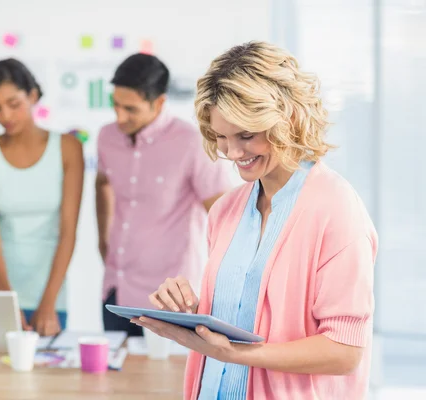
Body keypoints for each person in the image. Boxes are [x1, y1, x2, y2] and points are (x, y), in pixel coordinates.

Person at [134, 41, 378, 399]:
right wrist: (191, 312)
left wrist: (236, 354)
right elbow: (248, 319)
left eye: (246, 136)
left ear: (288, 118)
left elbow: (344, 352)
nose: (232, 153)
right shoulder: (226, 210)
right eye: (221, 137)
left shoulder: (337, 210)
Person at [96, 53, 232, 336]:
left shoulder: (191, 142)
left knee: (166, 380)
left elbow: (224, 216)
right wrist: (103, 240)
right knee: (114, 379)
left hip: (170, 299)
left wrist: (219, 289)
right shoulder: (106, 137)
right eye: (116, 106)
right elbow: (102, 183)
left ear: (158, 103)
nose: (120, 117)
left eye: (131, 109)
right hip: (116, 291)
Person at [0, 58, 84, 337]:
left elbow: (68, 232)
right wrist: (8, 303)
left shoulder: (68, 149)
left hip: (50, 295)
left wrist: (48, 303)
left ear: (32, 96)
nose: (5, 115)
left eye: (13, 103)